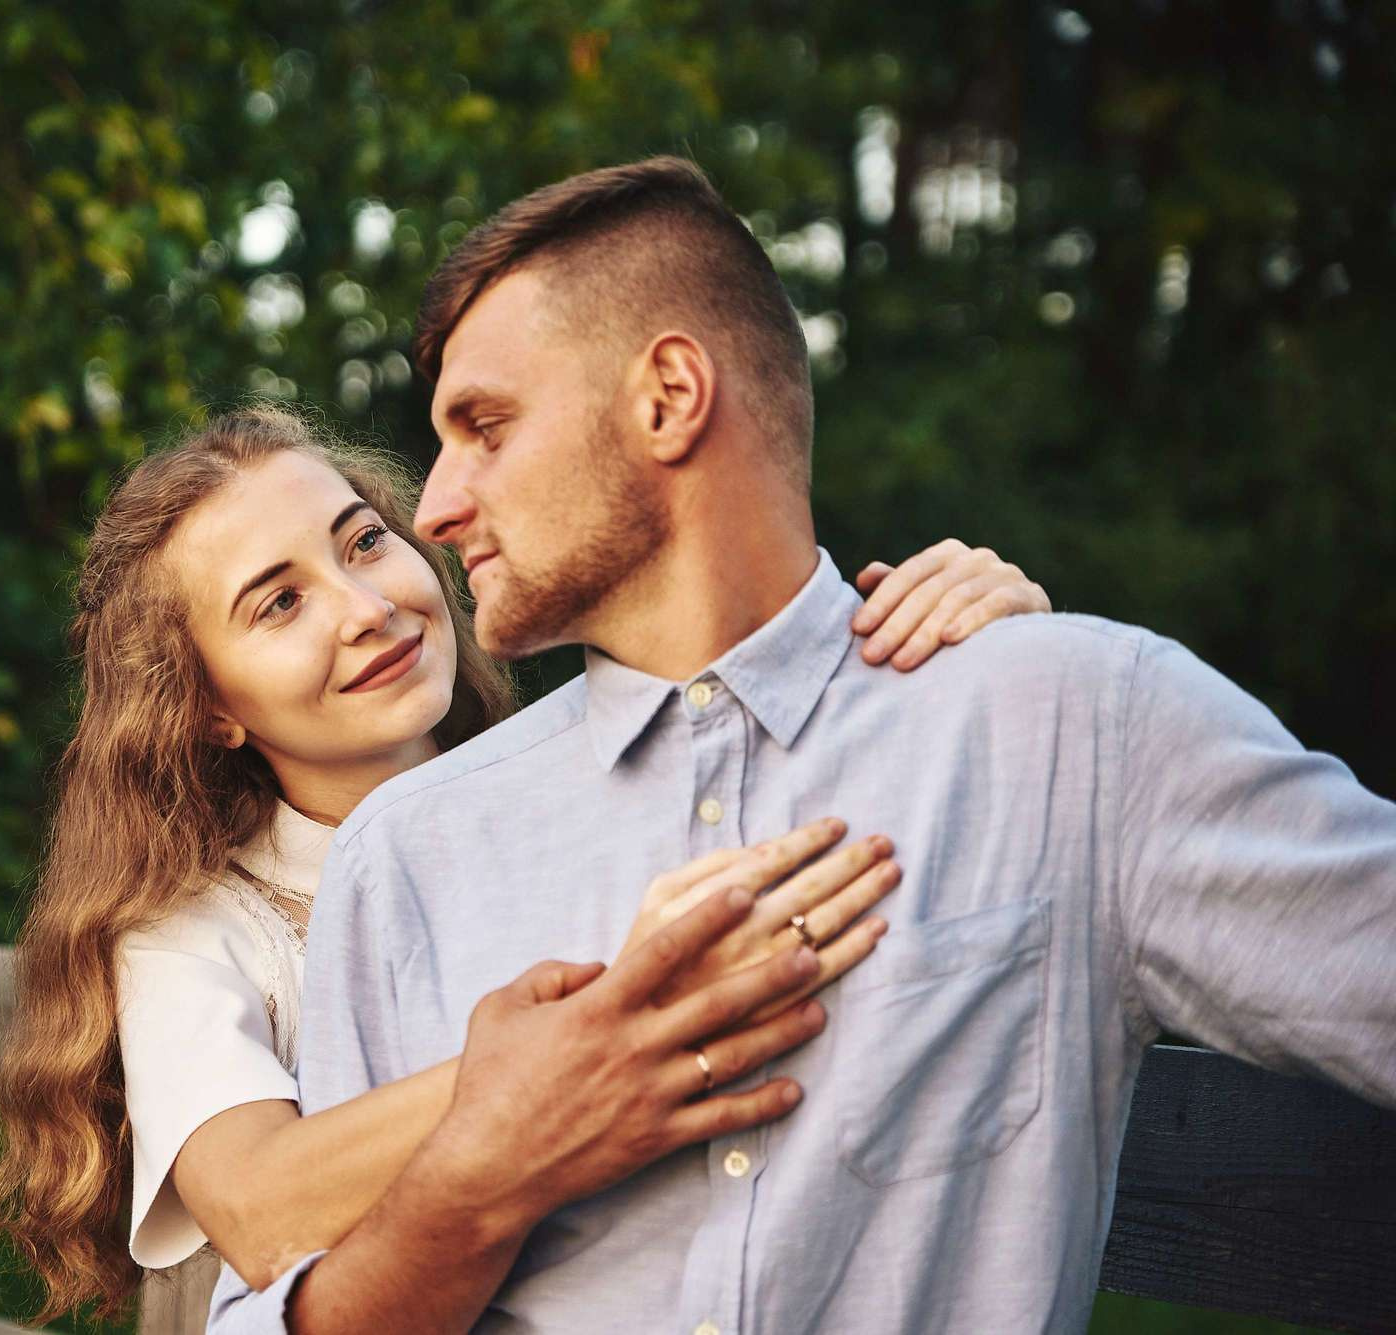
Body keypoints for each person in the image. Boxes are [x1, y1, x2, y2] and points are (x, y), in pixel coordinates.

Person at [208, 157, 1396, 1334]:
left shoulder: (1073, 722)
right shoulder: (409, 853)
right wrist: (481, 1174)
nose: (433, 507)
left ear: (668, 395)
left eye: (485, 428)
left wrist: (1035, 682)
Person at [0, 404, 1053, 1325]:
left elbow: (864, 868)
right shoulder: (193, 929)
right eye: (279, 602)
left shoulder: (606, 761)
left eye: (363, 543)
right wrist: (579, 1050)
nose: (366, 609)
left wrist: (978, 662)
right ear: (208, 706)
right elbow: (263, 1212)